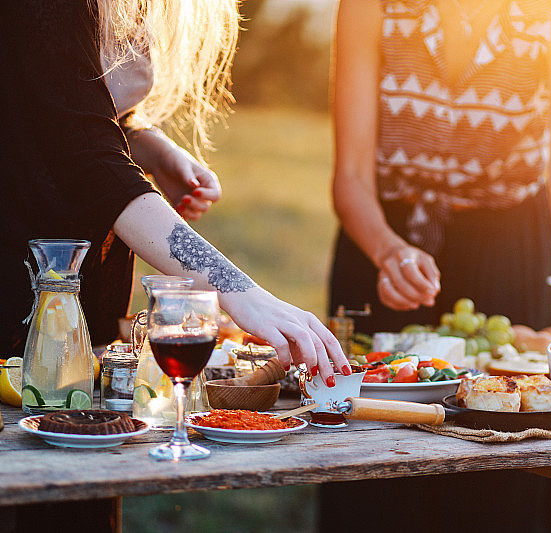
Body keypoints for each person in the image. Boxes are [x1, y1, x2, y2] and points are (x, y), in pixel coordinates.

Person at [323, 0, 551, 531]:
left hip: (507, 246)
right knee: (371, 463)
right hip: (381, 239)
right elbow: (350, 174)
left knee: (503, 462)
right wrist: (388, 250)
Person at [0, 0, 349, 385]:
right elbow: (83, 158)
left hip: (79, 334)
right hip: (18, 324)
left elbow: (60, 108)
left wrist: (147, 146)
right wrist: (240, 293)